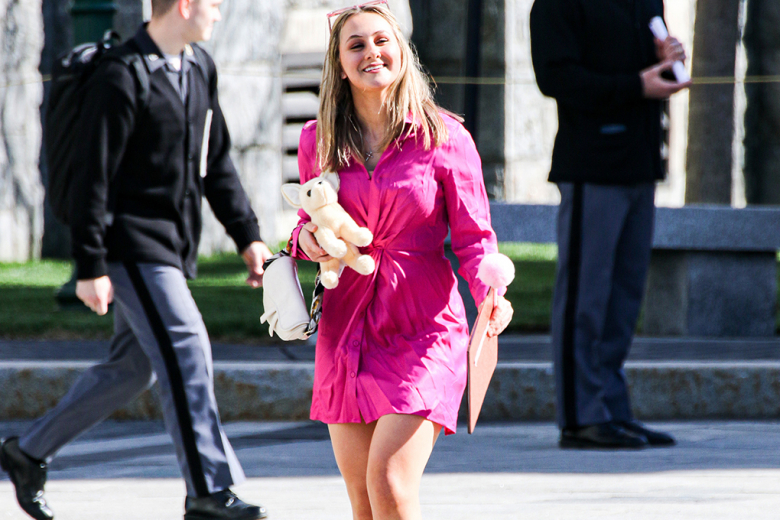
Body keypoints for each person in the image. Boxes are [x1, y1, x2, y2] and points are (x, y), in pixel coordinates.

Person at [0, 1, 272, 519]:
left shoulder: (197, 67)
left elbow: (215, 163)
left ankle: (28, 451)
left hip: (172, 245)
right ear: (185, 5)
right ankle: (209, 492)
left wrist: (247, 236)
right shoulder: (122, 75)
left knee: (134, 367)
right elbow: (92, 178)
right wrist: (91, 265)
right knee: (187, 347)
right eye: (213, 4)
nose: (218, 15)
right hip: (130, 246)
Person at [290, 3, 513, 519]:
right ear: (339, 63)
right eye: (357, 45)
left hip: (424, 330)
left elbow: (476, 238)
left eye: (382, 40)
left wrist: (491, 297)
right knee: (365, 504)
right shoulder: (317, 140)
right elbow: (305, 226)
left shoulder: (445, 138)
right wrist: (312, 245)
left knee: (389, 482)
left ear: (401, 50)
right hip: (347, 331)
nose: (372, 52)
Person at [529, 0, 692, 449]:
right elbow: (555, 77)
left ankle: (611, 410)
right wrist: (636, 85)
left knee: (623, 298)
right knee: (586, 296)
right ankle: (581, 416)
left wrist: (668, 60)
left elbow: (649, 69)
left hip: (640, 163)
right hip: (593, 165)